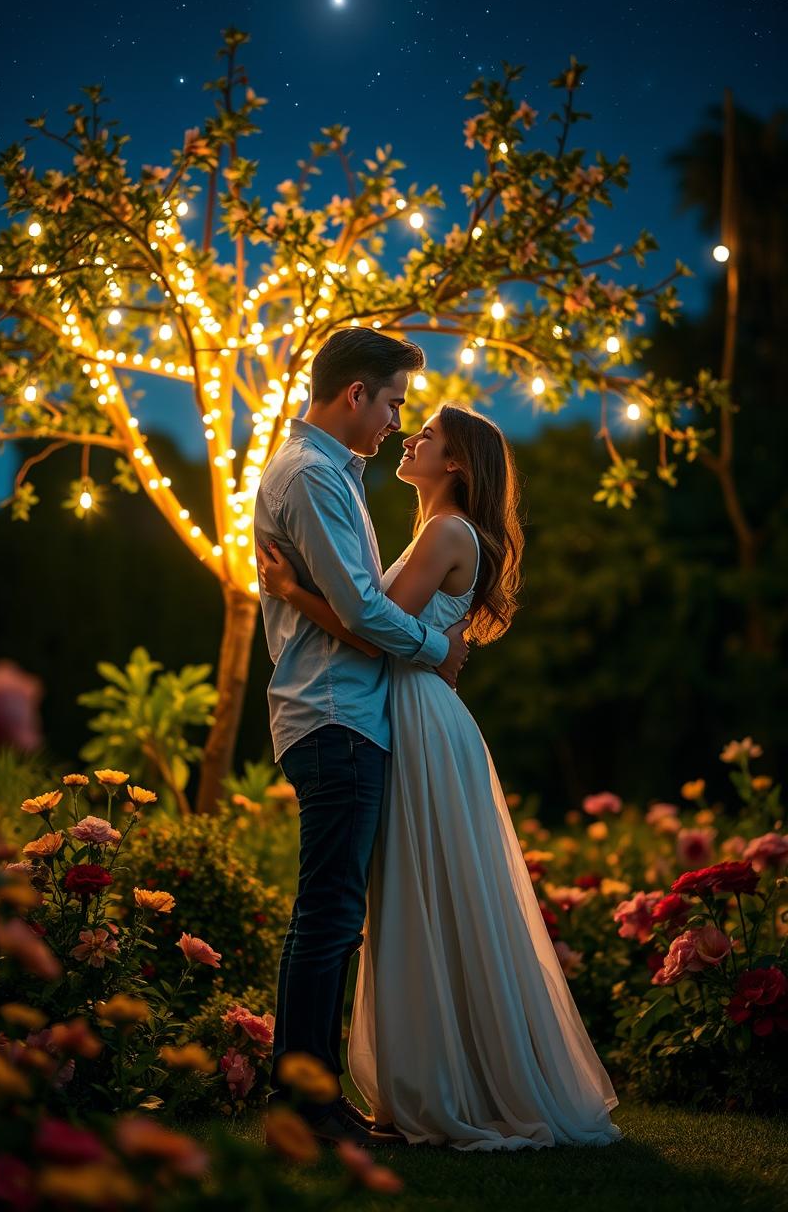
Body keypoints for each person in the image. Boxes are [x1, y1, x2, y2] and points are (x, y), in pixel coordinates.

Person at [258, 399, 623, 1152]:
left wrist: (290, 592)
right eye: (410, 422)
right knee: (427, 895)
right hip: (417, 712)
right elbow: (395, 627)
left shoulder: (448, 531)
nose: (410, 436)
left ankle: (451, 1081)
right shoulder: (436, 531)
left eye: (427, 434)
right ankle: (437, 1073)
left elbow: (369, 629)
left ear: (454, 463)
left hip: (419, 717)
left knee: (429, 893)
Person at [253, 327, 469, 1146]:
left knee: (335, 911)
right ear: (355, 395)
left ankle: (311, 1096)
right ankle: (305, 1102)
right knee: (332, 913)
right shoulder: (312, 476)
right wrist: (437, 650)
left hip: (345, 713)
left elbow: (353, 605)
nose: (393, 422)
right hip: (335, 713)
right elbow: (363, 611)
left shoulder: (329, 475)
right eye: (390, 403)